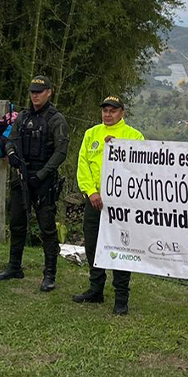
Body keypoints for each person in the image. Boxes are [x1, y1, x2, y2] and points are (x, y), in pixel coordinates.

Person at [0, 74, 70, 292]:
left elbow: (61, 151)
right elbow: (10, 139)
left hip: (44, 179)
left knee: (47, 226)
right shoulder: (23, 117)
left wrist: (43, 174)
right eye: (32, 92)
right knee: (17, 222)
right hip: (21, 175)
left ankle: (50, 274)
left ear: (49, 92)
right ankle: (14, 266)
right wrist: (12, 154)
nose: (35, 96)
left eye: (39, 92)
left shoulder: (56, 119)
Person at [72, 95, 145, 314]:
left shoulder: (134, 136)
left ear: (122, 112)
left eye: (113, 110)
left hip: (121, 205)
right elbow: (83, 165)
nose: (108, 114)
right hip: (94, 201)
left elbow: (141, 169)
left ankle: (121, 297)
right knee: (93, 246)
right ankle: (96, 290)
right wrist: (91, 192)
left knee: (122, 248)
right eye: (105, 110)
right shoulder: (91, 134)